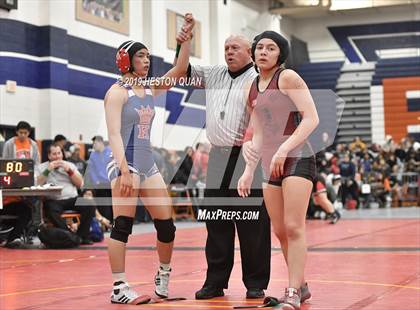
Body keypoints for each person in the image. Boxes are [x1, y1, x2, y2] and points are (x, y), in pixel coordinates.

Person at [104, 13, 195, 305]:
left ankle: (163, 276)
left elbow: (180, 69)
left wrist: (186, 38)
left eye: (147, 56)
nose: (146, 60)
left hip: (147, 162)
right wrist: (123, 170)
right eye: (140, 56)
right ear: (125, 60)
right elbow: (114, 135)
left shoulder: (150, 86)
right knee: (122, 225)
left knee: (167, 225)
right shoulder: (116, 93)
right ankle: (119, 287)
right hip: (125, 163)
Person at [176, 33, 271, 299]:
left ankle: (255, 282)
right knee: (216, 222)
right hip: (218, 157)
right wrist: (185, 42)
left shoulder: (258, 78)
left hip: (247, 156)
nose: (229, 51)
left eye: (235, 48)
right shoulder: (214, 73)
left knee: (252, 223)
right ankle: (215, 281)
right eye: (226, 47)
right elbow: (182, 70)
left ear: (249, 52)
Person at [237, 31, 319, 309]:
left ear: (279, 54)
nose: (263, 52)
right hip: (269, 163)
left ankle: (293, 290)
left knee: (295, 227)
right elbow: (258, 133)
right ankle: (302, 285)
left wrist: (285, 148)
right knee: (281, 231)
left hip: (297, 157)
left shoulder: (288, 77)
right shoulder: (252, 87)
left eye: (270, 48)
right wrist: (248, 169)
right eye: (259, 47)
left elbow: (312, 118)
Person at [36, 144, 95, 244]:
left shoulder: (70, 165)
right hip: (54, 200)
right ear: (49, 156)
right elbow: (37, 183)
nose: (57, 156)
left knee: (89, 204)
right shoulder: (42, 167)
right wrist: (48, 170)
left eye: (59, 153)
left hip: (72, 198)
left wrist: (69, 171)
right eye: (54, 154)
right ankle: (69, 236)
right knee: (50, 209)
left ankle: (82, 236)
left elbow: (80, 184)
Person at [87, 135, 113, 222]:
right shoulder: (93, 155)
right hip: (100, 184)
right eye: (93, 144)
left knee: (113, 203)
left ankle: (114, 222)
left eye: (95, 143)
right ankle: (106, 223)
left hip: (111, 182)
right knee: (102, 204)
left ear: (101, 142)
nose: (93, 146)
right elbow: (91, 170)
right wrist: (95, 181)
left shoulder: (110, 152)